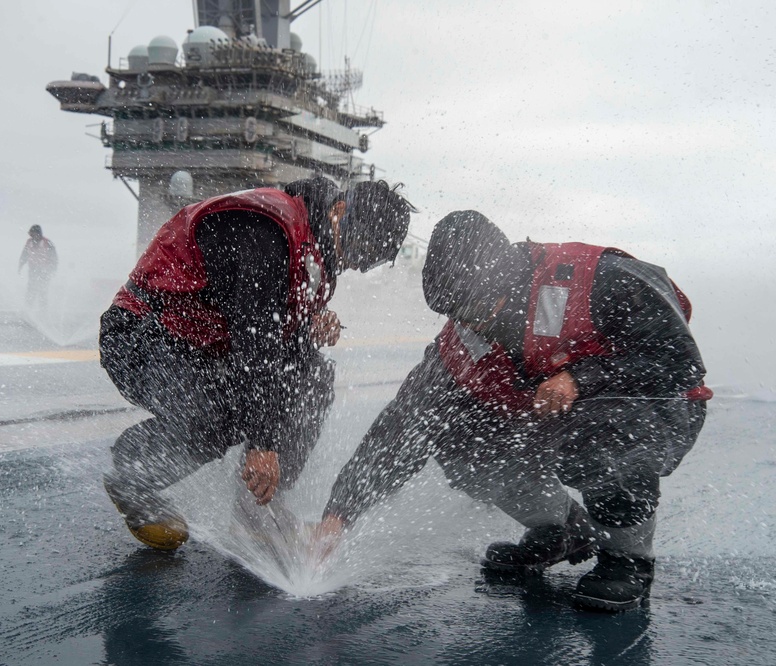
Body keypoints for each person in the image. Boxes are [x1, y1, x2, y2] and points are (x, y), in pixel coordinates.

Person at [313, 210, 711, 612]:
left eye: (476, 310)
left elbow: (679, 364)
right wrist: (339, 516)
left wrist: (581, 379)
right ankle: (562, 530)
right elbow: (406, 423)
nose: (471, 325)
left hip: (652, 407)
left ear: (506, 281)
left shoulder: (599, 278)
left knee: (599, 434)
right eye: (457, 315)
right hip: (549, 418)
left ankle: (627, 558)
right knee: (460, 441)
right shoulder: (463, 338)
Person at [99, 177, 413, 551]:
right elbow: (256, 343)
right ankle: (134, 472)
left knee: (313, 378)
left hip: (200, 349)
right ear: (339, 210)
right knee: (223, 413)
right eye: (358, 249)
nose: (351, 262)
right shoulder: (265, 232)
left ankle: (257, 505)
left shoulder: (312, 241)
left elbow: (285, 347)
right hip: (141, 337)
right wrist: (263, 444)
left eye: (366, 262)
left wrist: (308, 325)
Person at [18, 224, 58, 308]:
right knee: (31, 289)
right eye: (31, 234)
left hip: (45, 270)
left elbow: (54, 257)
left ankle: (42, 311)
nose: (32, 236)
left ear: (39, 234)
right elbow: (24, 255)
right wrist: (20, 265)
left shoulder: (47, 243)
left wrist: (53, 269)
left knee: (42, 291)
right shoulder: (29, 242)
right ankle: (28, 308)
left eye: (34, 234)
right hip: (33, 269)